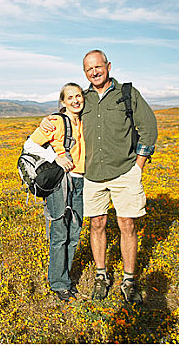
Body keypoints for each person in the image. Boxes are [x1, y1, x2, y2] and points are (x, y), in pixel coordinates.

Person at [41, 50, 158, 304]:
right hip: (92, 175)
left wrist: (138, 166)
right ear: (85, 73)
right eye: (88, 69)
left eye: (98, 66)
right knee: (97, 225)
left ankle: (128, 280)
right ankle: (101, 276)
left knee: (127, 225)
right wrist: (47, 122)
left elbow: (149, 129)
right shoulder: (84, 99)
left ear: (108, 66)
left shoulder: (127, 94)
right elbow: (65, 119)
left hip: (125, 170)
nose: (94, 72)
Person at [24, 83, 85, 302]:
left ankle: (64, 277)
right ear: (62, 101)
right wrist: (55, 158)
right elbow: (30, 145)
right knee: (60, 233)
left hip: (81, 182)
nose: (75, 100)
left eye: (78, 96)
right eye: (70, 97)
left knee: (75, 233)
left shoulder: (85, 120)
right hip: (61, 183)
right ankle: (59, 284)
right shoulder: (56, 121)